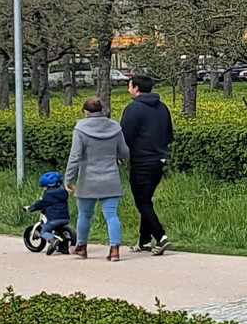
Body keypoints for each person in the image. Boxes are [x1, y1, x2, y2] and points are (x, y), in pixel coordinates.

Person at [67, 96, 130, 261]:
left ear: (86, 112)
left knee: (85, 215)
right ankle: (114, 250)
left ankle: (81, 247)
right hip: (111, 177)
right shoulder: (115, 127)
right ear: (102, 110)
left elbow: (74, 158)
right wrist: (117, 158)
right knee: (111, 214)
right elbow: (125, 152)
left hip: (88, 179)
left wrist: (69, 180)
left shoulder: (80, 129)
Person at [120, 73, 175, 254]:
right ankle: (144, 241)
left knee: (142, 201)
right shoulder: (162, 108)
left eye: (130, 86)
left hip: (141, 161)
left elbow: (124, 136)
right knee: (146, 201)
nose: (129, 89)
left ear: (136, 88)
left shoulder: (133, 109)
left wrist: (122, 155)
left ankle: (161, 237)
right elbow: (169, 134)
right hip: (159, 160)